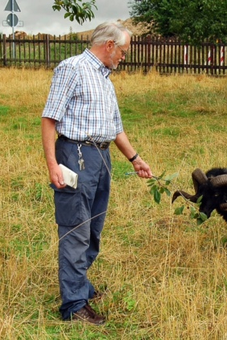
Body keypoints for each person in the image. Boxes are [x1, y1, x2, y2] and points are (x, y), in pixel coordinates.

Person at [41, 22, 153, 325]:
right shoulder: (72, 69)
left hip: (101, 158)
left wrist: (135, 158)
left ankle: (79, 284)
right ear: (109, 46)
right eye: (124, 51)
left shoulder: (105, 79)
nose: (124, 57)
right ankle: (74, 305)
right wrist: (53, 165)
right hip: (75, 157)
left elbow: (115, 128)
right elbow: (50, 119)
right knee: (75, 228)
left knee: (93, 230)